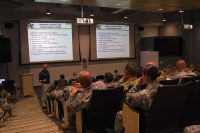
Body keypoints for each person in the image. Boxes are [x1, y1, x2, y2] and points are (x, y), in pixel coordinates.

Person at [115, 65, 161, 132]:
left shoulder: (144, 94)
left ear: (146, 76)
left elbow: (128, 97)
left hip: (144, 120)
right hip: (159, 120)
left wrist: (137, 84)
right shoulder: (163, 88)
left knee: (119, 114)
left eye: (143, 75)